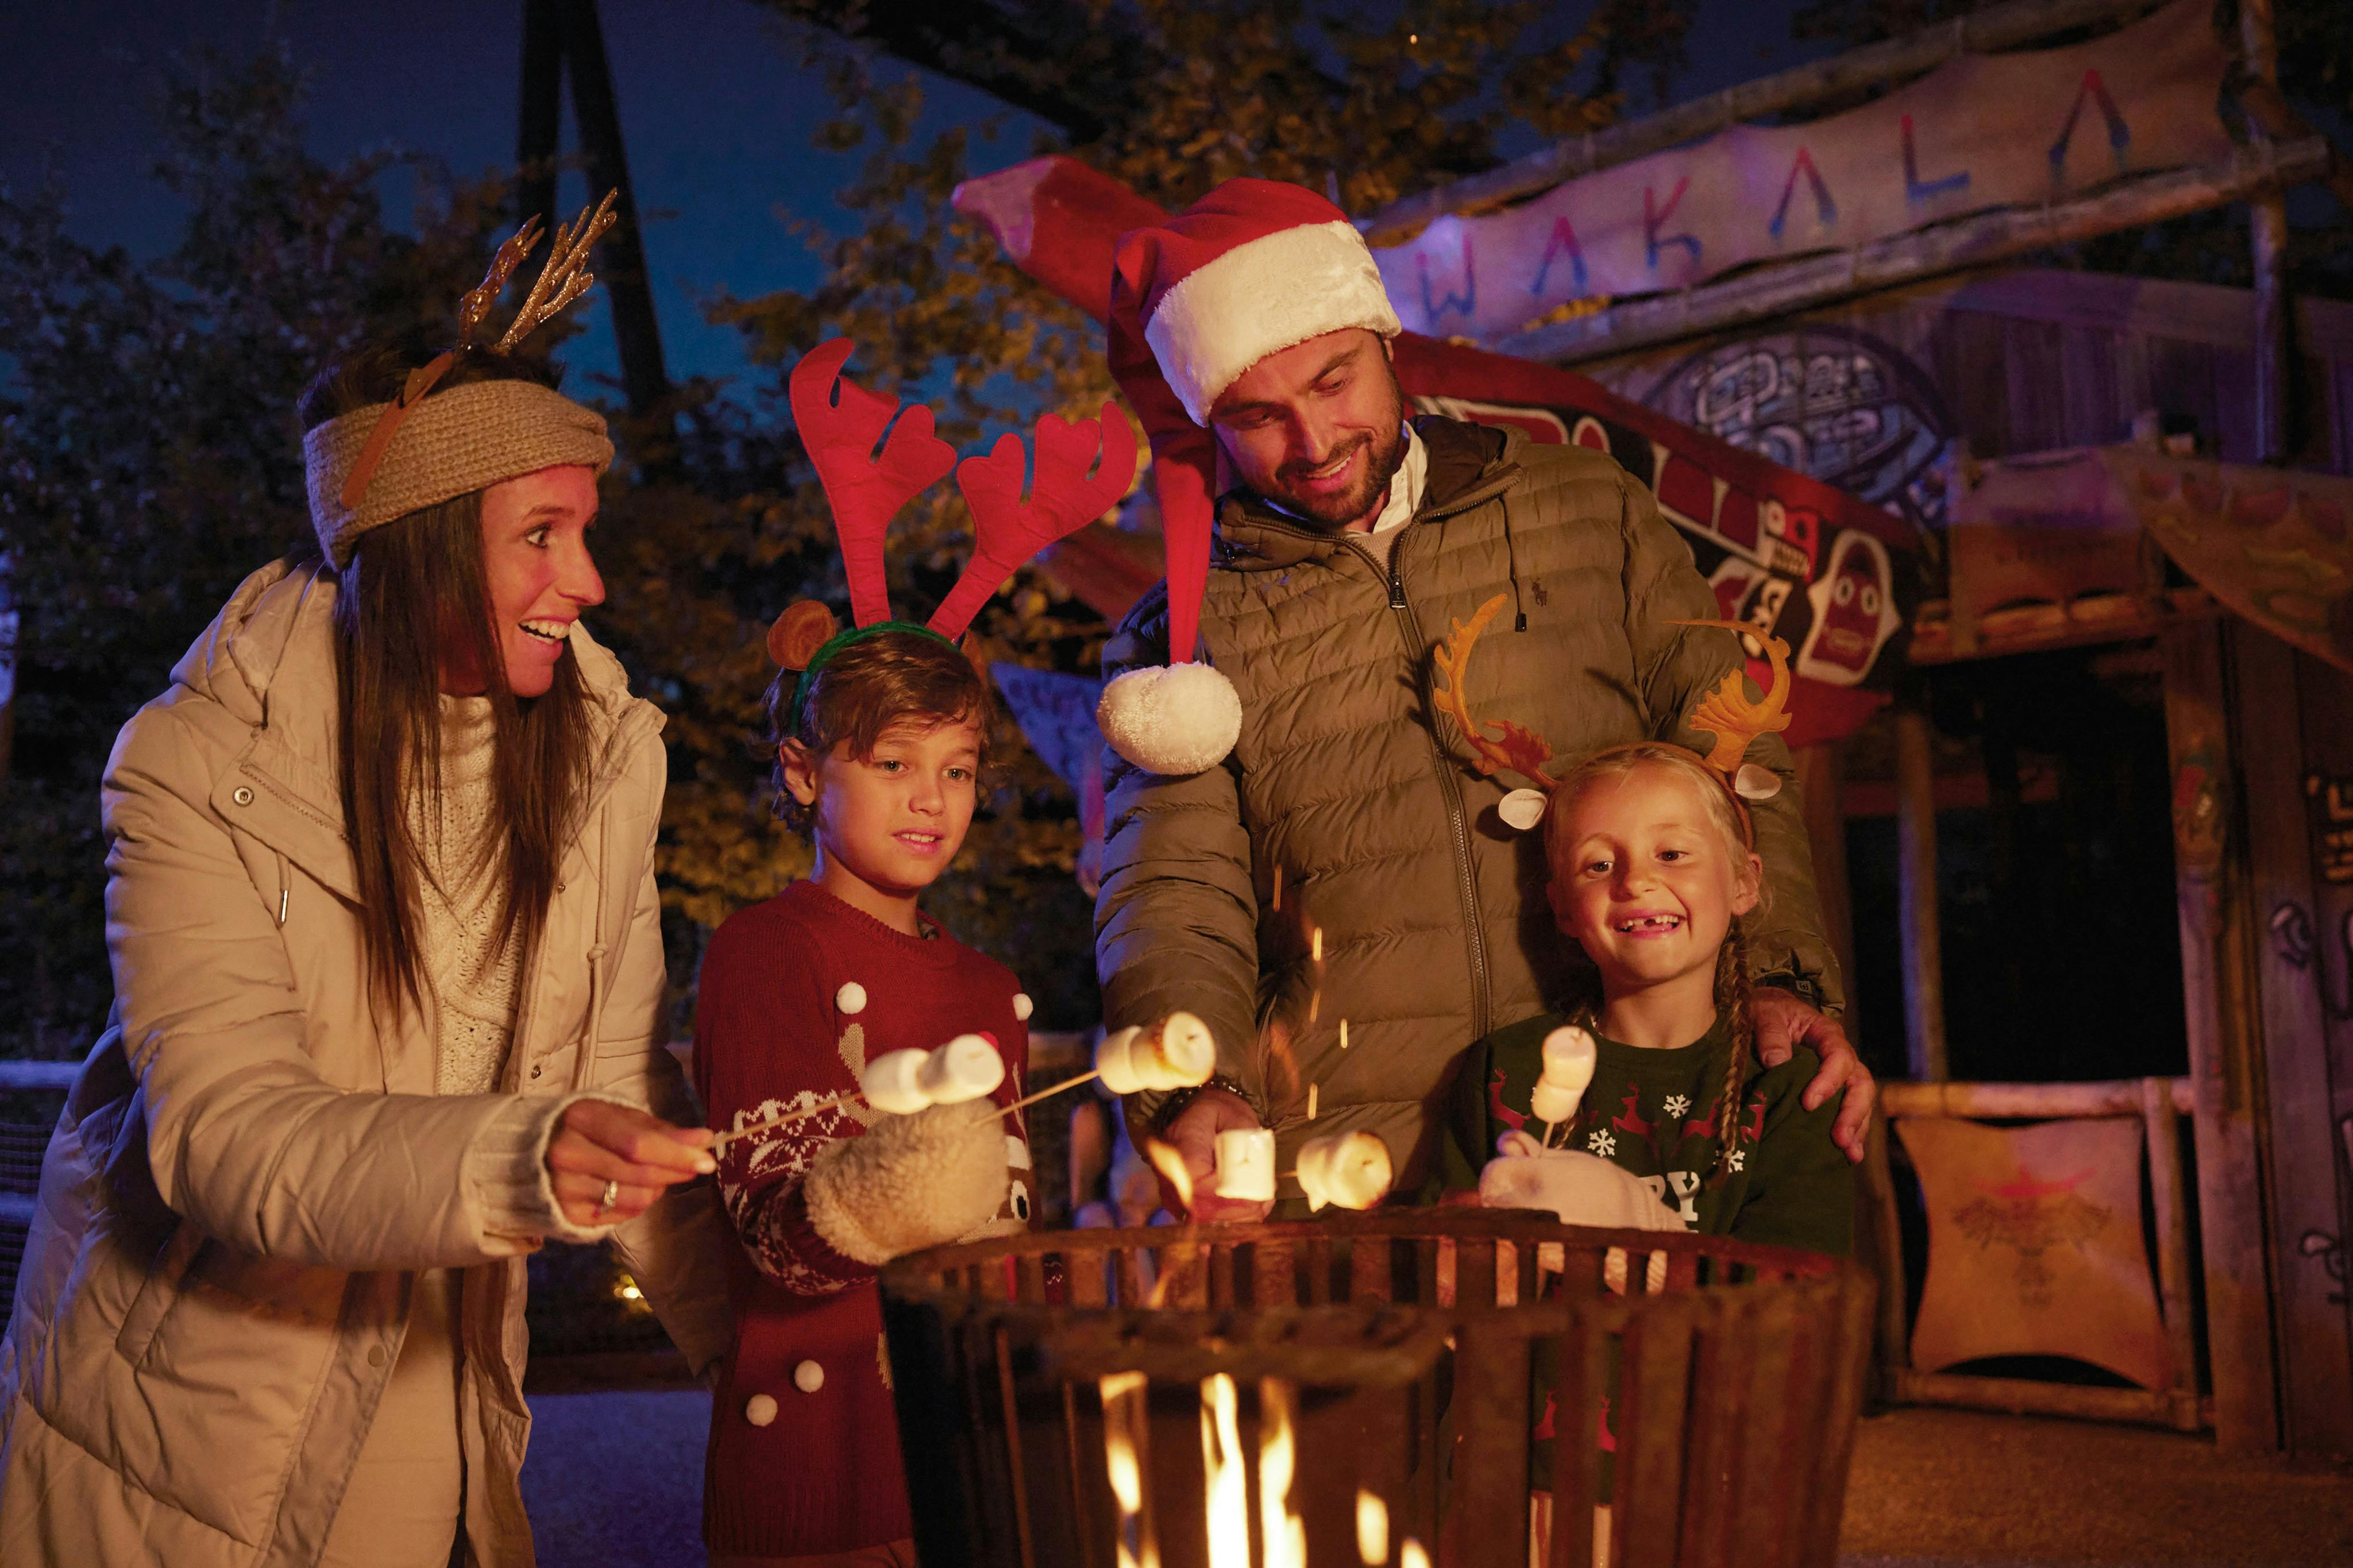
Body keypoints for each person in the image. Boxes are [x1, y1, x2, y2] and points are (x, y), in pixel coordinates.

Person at [0, 210, 733, 1567]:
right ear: (424, 544)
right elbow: (223, 1137)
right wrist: (514, 1157)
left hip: (454, 1431)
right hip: (186, 1456)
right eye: (543, 536)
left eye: (586, 533)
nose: (591, 580)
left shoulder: (605, 754)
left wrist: (770, 1363)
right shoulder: (194, 763)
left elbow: (622, 1090)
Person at [1089, 177, 1874, 1221]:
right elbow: (1172, 892)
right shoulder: (1181, 634)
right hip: (1347, 1157)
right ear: (1207, 421)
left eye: (1334, 382)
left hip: (1625, 1125)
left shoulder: (1584, 510)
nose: (1315, 440)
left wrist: (1780, 978)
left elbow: (1726, 745)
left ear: (1387, 343)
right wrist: (1203, 1088)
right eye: (1258, 416)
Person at [692, 621, 1035, 1568]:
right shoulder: (768, 951)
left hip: (980, 1454)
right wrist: (905, 1184)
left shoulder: (986, 986)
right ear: (803, 772)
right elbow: (777, 1241)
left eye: (958, 769)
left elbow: (1010, 1242)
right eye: (893, 761)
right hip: (823, 1466)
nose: (932, 797)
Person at [1445, 741, 1854, 1254]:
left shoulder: (1788, 1086)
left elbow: (1791, 1300)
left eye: (1672, 854)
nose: (1636, 881)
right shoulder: (1506, 1069)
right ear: (1564, 910)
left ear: (1744, 883)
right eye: (1597, 866)